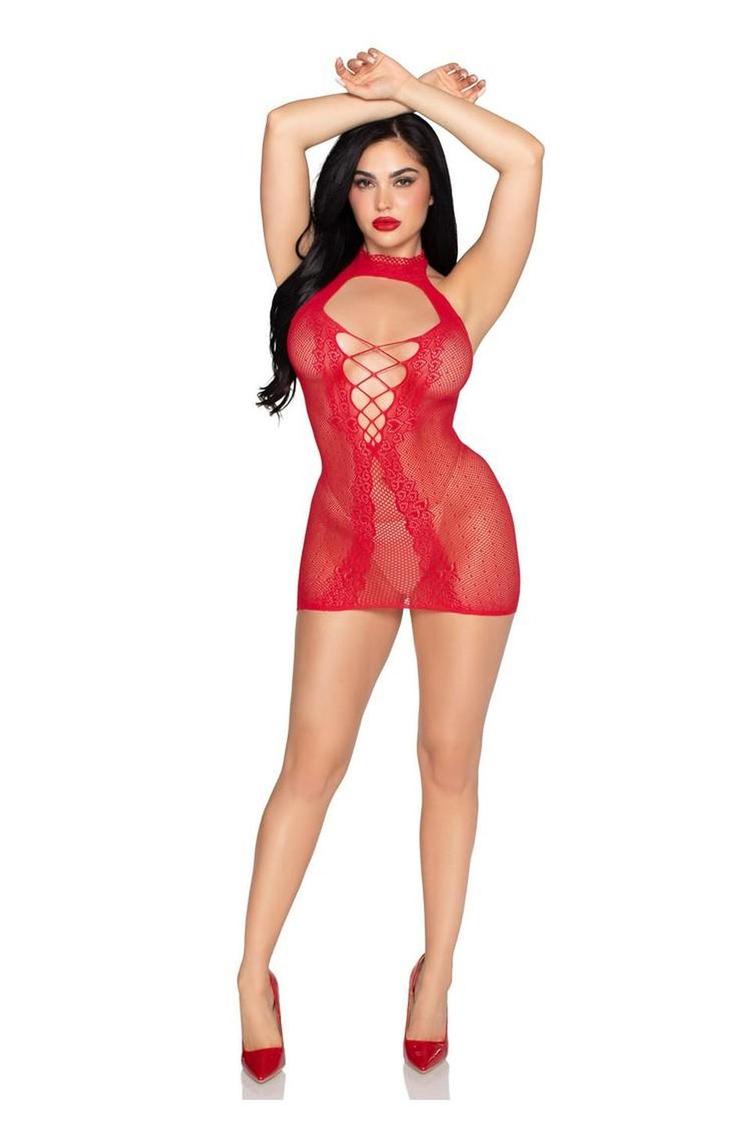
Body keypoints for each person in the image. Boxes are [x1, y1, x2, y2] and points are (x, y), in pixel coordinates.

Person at [239, 47, 544, 1081]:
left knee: (446, 761)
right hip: (346, 545)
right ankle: (251, 973)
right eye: (364, 179)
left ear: (431, 194)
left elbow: (526, 159)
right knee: (310, 762)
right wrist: (380, 98)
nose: (381, 198)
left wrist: (415, 96)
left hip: (465, 539)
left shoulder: (467, 291)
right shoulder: (302, 272)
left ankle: (435, 973)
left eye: (404, 178)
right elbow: (283, 128)